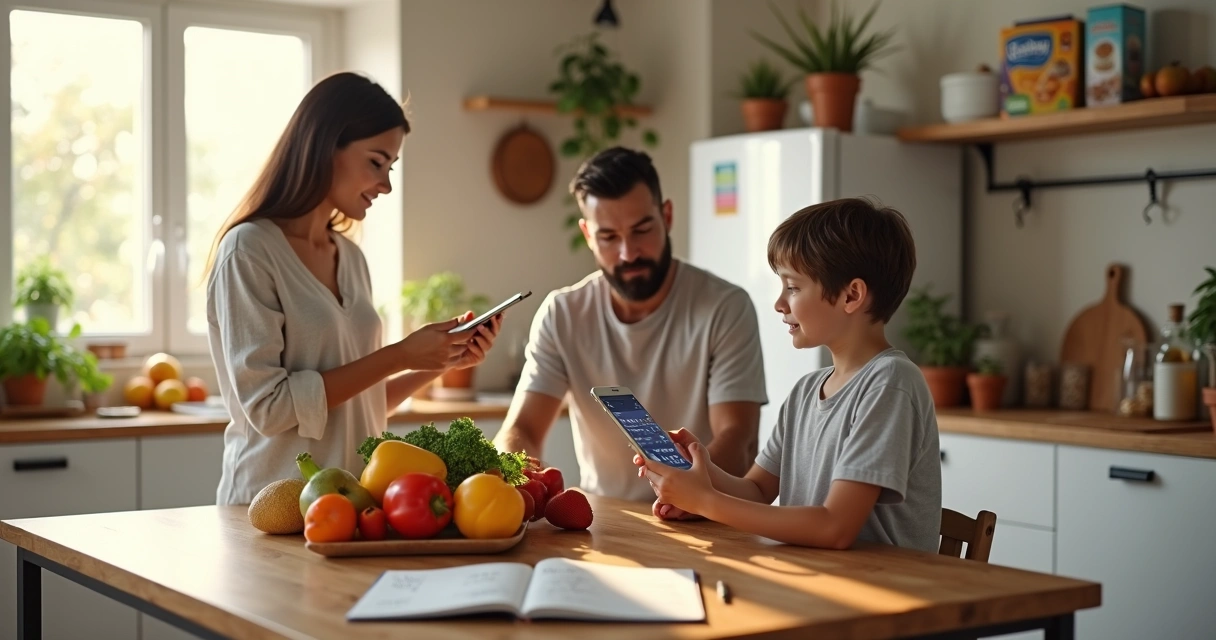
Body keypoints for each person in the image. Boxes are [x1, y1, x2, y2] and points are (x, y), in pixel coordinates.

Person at [205, 72, 502, 506]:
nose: (386, 185)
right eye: (376, 162)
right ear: (325, 147)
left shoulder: (351, 258)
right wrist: (401, 355)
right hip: (270, 510)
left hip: (351, 509)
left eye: (390, 167)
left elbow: (359, 406)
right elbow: (269, 408)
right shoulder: (249, 251)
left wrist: (438, 363)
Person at [637, 197, 942, 551]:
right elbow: (756, 490)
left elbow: (835, 527)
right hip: (814, 575)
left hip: (881, 583)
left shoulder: (890, 383)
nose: (779, 303)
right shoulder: (806, 391)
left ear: (851, 295)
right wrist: (701, 469)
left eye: (793, 287)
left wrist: (707, 502)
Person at [493, 147, 768, 513]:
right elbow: (522, 429)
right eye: (609, 237)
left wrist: (690, 493)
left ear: (666, 216)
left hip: (707, 516)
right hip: (603, 523)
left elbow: (738, 438)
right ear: (588, 234)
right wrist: (511, 479)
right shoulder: (562, 314)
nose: (628, 253)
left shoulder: (725, 307)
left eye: (641, 230)